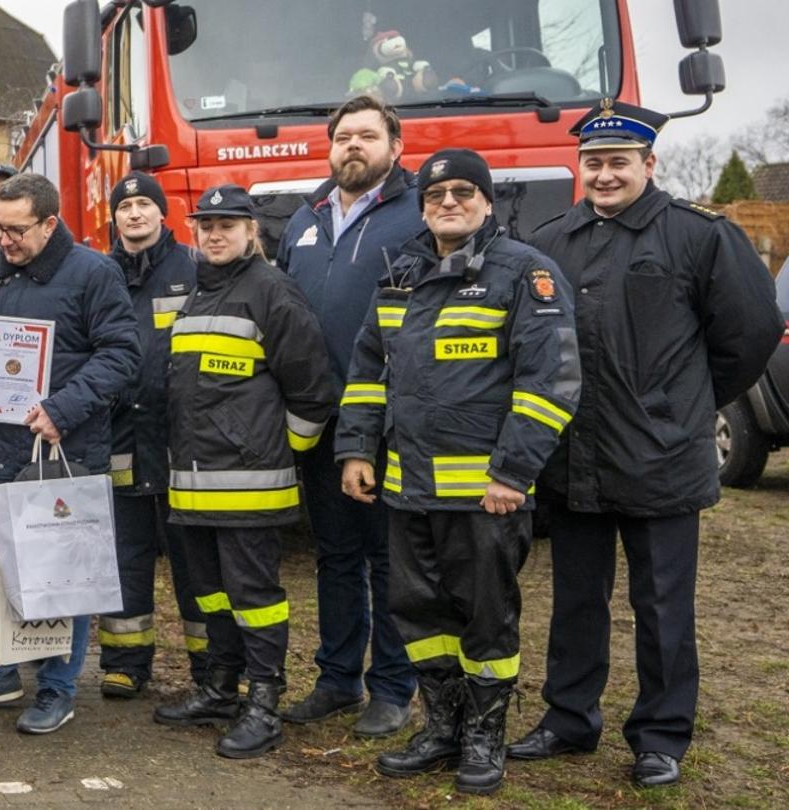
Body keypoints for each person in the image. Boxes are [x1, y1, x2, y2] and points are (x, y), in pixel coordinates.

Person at [511, 101, 781, 789]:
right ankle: (569, 718)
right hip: (574, 458)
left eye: (619, 163)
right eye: (594, 163)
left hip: (660, 456)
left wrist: (680, 402)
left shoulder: (698, 236)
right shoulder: (551, 241)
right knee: (575, 599)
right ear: (582, 168)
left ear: (648, 164)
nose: (605, 175)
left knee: (662, 606)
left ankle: (660, 736)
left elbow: (748, 335)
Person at [335, 149, 579, 795]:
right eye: (435, 193)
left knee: (485, 619)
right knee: (416, 613)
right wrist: (357, 450)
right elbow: (366, 374)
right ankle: (442, 725)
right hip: (408, 490)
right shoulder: (399, 277)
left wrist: (512, 473)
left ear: (488, 201)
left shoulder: (526, 274)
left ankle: (484, 736)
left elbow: (550, 383)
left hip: (484, 497)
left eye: (464, 191)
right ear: (421, 205)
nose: (449, 201)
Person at [0, 172, 140, 735]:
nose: (4, 240)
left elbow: (123, 354)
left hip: (61, 450)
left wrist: (63, 408)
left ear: (51, 223)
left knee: (58, 576)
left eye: (16, 230)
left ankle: (57, 688)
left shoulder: (93, 273)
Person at [160, 184, 337, 759]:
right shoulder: (198, 294)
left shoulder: (272, 291)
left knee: (254, 596)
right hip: (192, 483)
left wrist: (274, 451)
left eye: (228, 224)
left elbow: (313, 392)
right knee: (210, 595)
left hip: (249, 484)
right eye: (206, 224)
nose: (215, 233)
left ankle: (264, 701)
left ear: (251, 231)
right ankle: (220, 687)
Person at [273, 95, 423, 736]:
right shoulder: (303, 220)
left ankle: (392, 687)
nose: (352, 146)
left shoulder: (420, 213)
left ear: (395, 146)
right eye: (342, 137)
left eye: (367, 135)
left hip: (391, 418)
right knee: (334, 554)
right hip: (319, 417)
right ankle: (337, 679)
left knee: (390, 556)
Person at [98, 173, 199, 700]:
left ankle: (210, 667)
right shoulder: (101, 273)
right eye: (125, 206)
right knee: (125, 554)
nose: (134, 214)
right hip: (120, 436)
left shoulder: (195, 269)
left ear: (163, 213)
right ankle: (124, 661)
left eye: (144, 204)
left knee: (194, 557)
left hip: (180, 440)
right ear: (113, 218)